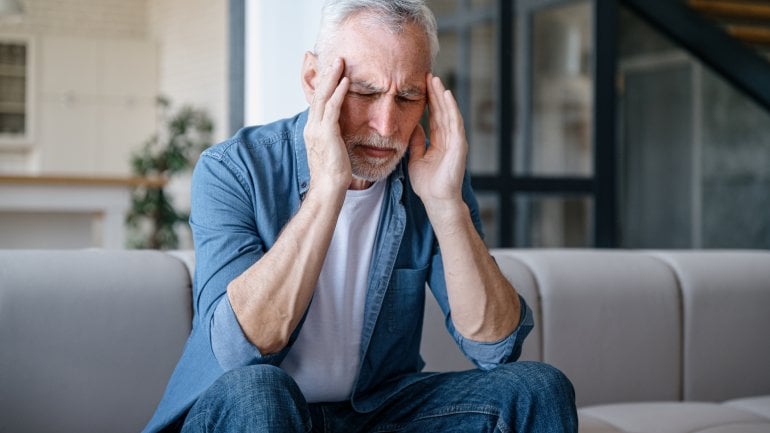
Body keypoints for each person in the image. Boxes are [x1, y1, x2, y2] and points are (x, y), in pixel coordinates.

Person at [143, 1, 577, 432]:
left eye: (408, 97)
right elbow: (240, 351)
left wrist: (446, 205)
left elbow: (495, 347)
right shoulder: (234, 169)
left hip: (373, 411)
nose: (387, 125)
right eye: (364, 93)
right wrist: (328, 188)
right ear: (314, 79)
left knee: (538, 387)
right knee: (259, 390)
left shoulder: (427, 176)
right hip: (245, 412)